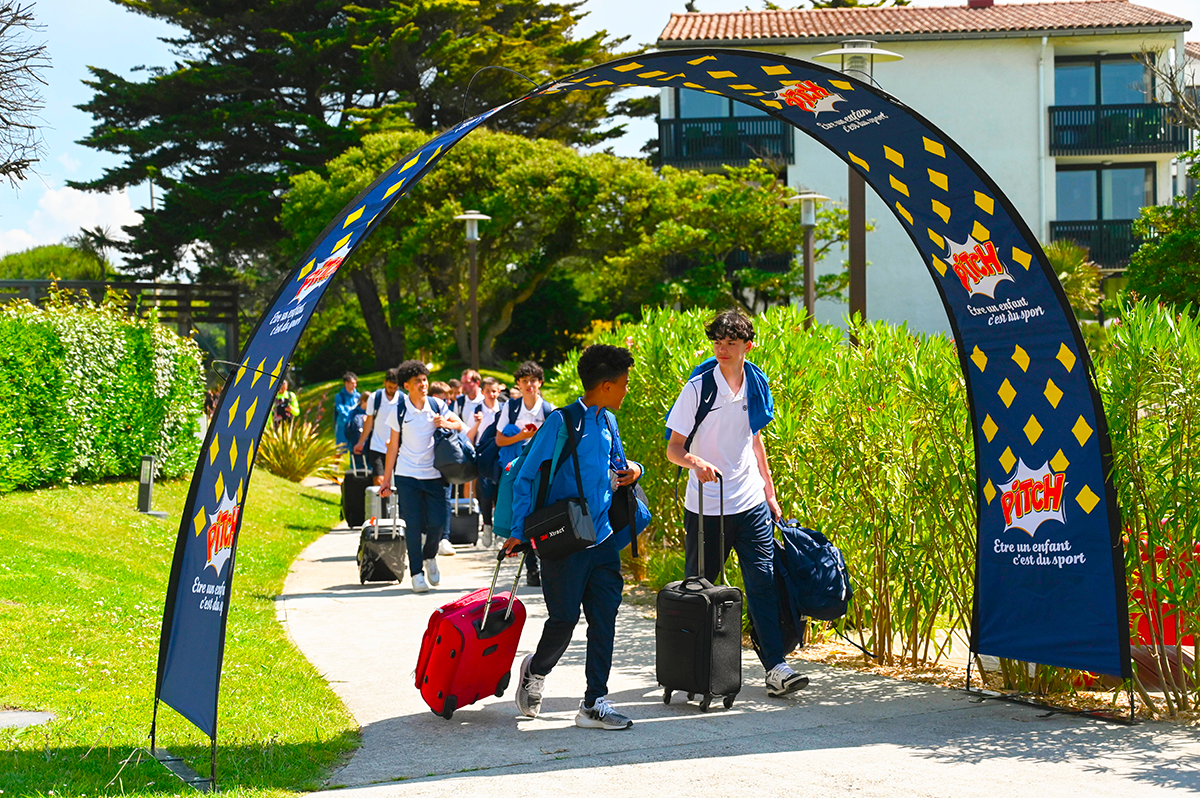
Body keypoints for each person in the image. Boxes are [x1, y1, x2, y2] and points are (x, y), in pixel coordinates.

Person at [665, 308, 808, 698]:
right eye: (717, 342)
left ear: (748, 345)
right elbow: (674, 448)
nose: (722, 349)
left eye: (730, 342)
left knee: (763, 584)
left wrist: (769, 492)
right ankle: (693, 671)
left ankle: (776, 667)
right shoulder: (698, 388)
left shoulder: (756, 383)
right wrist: (695, 462)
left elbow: (754, 440)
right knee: (700, 590)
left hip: (750, 502)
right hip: (707, 508)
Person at [504, 344, 644, 730]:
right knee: (563, 621)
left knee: (604, 619)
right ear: (605, 386)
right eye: (624, 384)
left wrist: (635, 469)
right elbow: (525, 477)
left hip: (602, 540)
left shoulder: (608, 421)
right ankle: (536, 669)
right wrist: (518, 533)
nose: (626, 390)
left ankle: (594, 703)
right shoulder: (561, 422)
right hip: (564, 540)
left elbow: (619, 464)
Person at [380, 360, 467, 593]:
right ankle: (416, 574)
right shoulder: (398, 410)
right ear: (407, 386)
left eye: (425, 379)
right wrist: (387, 479)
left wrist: (445, 422)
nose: (423, 384)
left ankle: (430, 557)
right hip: (407, 475)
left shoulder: (437, 405)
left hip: (435, 475)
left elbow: (460, 425)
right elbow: (392, 446)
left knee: (437, 523)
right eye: (418, 381)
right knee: (414, 525)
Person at [496, 360, 556, 586]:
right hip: (518, 467)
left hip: (542, 470)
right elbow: (500, 440)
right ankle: (532, 568)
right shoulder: (510, 408)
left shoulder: (549, 410)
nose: (529, 385)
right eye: (524, 381)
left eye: (533, 380)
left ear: (540, 382)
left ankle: (542, 563)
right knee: (522, 514)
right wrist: (522, 436)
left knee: (539, 513)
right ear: (518, 384)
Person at [469, 376, 503, 546]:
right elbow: (469, 435)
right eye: (488, 391)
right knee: (485, 493)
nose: (491, 394)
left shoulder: (505, 410)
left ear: (499, 391)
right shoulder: (477, 410)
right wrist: (477, 422)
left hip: (500, 455)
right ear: (482, 392)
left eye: (494, 391)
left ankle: (499, 531)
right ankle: (487, 526)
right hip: (484, 457)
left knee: (500, 493)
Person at [354, 369, 401, 484]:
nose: (392, 390)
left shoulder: (403, 399)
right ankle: (379, 496)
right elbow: (369, 422)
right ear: (385, 382)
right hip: (377, 446)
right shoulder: (375, 398)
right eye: (390, 387)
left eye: (395, 388)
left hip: (396, 448)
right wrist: (361, 442)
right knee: (379, 480)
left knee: (397, 482)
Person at [334, 371, 360, 451]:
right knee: (340, 449)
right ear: (346, 383)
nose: (354, 385)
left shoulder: (358, 396)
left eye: (355, 383)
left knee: (354, 449)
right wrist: (350, 416)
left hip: (354, 426)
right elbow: (340, 410)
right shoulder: (339, 396)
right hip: (342, 426)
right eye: (352, 383)